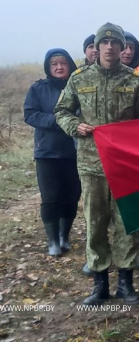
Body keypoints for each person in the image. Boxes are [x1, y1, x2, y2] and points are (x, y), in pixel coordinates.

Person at [55, 23, 139, 305]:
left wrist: (134, 135)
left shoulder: (137, 80)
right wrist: (76, 125)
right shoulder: (78, 78)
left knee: (127, 222)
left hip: (126, 164)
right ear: (96, 47)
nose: (110, 47)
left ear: (123, 48)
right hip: (91, 164)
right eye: (104, 43)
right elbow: (61, 110)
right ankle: (100, 284)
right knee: (96, 223)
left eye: (115, 43)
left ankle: (126, 284)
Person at [24, 49, 81, 257]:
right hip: (46, 152)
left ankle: (65, 235)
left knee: (72, 196)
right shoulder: (38, 88)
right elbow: (30, 115)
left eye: (63, 63)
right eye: (54, 64)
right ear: (48, 67)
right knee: (50, 197)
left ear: (70, 65)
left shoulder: (77, 86)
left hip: (74, 150)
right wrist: (57, 121)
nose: (59, 67)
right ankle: (53, 241)